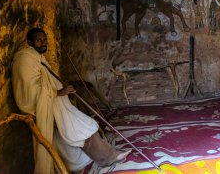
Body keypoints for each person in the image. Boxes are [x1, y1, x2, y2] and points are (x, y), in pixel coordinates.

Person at [12, 28, 131, 174]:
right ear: (29, 42)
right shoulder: (24, 59)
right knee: (80, 127)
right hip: (43, 108)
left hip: (55, 104)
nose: (43, 43)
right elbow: (29, 94)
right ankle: (109, 157)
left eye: (44, 39)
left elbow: (47, 81)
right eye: (38, 40)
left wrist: (63, 91)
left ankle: (103, 156)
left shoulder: (38, 57)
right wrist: (59, 92)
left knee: (76, 129)